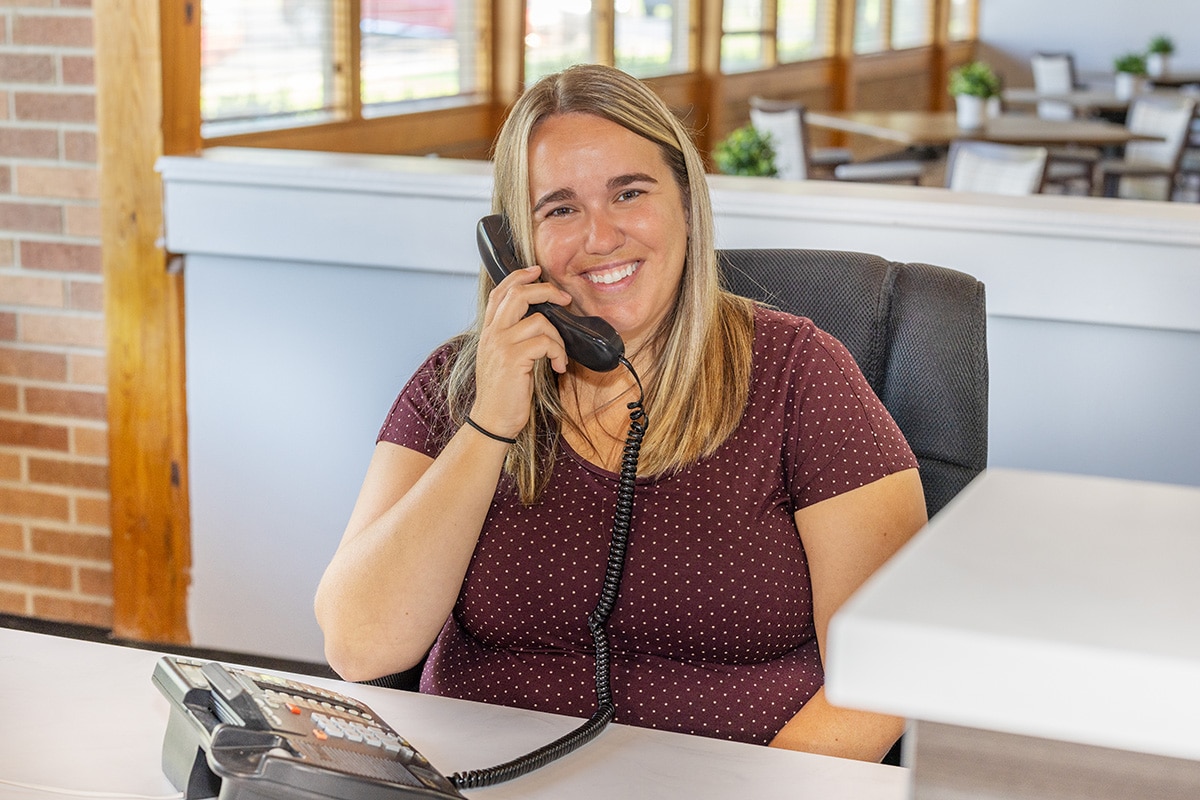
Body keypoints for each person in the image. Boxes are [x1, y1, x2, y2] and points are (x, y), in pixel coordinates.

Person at [314, 63, 927, 763]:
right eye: (560, 208)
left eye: (629, 193)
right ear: (516, 241)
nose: (600, 237)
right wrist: (491, 424)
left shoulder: (798, 374)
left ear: (686, 207)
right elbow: (359, 649)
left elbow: (886, 670)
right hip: (482, 777)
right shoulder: (455, 387)